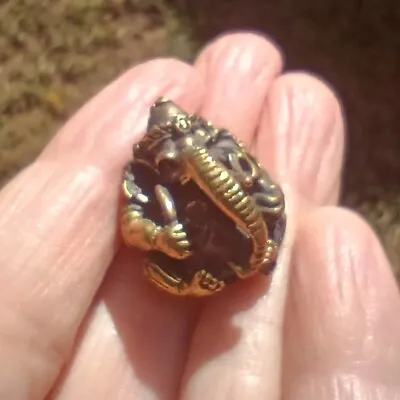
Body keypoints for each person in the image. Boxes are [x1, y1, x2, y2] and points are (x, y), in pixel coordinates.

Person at [0, 32, 398, 400]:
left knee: (273, 205)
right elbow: (133, 226)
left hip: (246, 232)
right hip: (194, 250)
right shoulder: (144, 179)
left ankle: (256, 256)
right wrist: (159, 238)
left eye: (193, 136)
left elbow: (253, 178)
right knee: (172, 270)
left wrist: (249, 193)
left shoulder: (217, 144)